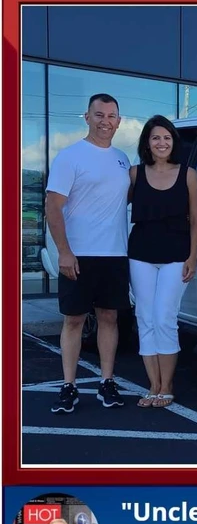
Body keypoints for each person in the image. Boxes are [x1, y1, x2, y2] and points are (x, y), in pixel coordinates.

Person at [45, 93, 131, 413]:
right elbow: (53, 208)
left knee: (109, 318)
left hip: (114, 255)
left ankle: (106, 382)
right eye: (99, 115)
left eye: (111, 116)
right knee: (74, 321)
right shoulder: (71, 156)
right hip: (78, 255)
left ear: (119, 122)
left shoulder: (123, 159)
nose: (105, 121)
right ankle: (69, 386)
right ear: (87, 117)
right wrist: (64, 252)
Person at [128, 115, 197, 408]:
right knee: (144, 318)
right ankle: (153, 386)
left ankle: (167, 385)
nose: (161, 143)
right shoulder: (134, 174)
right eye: (156, 137)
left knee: (164, 318)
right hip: (140, 255)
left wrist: (193, 256)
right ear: (147, 141)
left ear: (174, 142)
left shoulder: (188, 174)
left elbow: (196, 219)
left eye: (167, 138)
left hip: (176, 256)